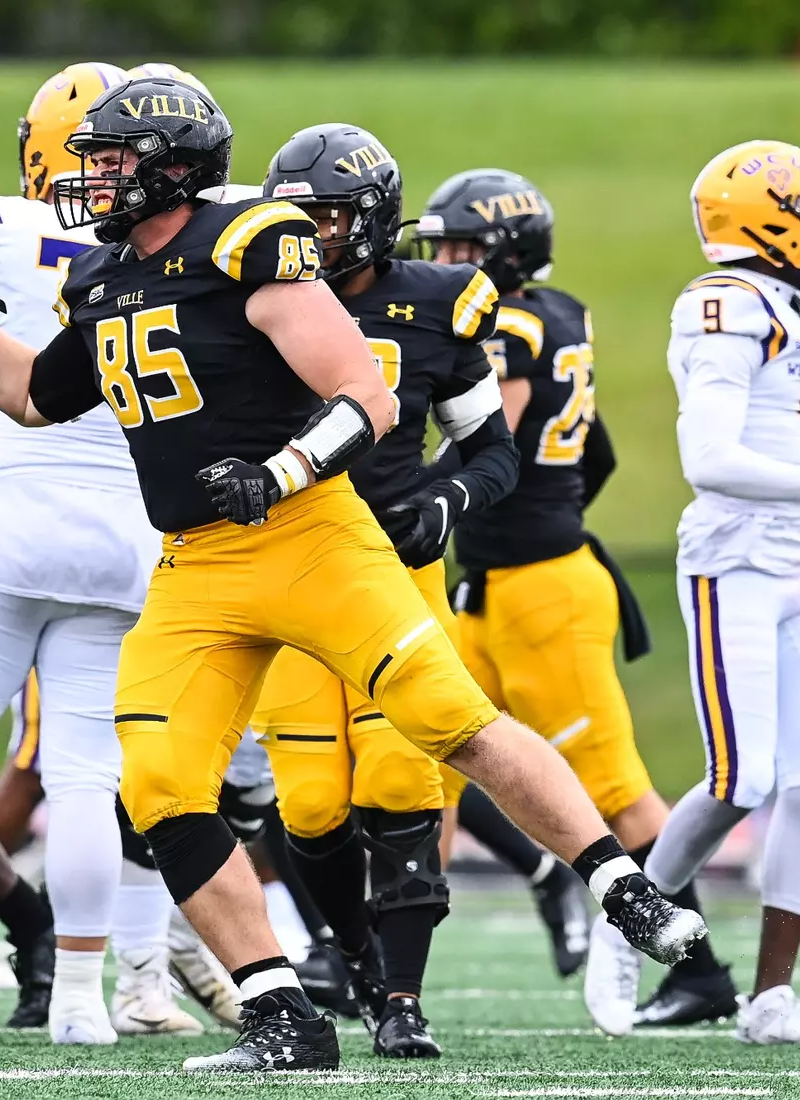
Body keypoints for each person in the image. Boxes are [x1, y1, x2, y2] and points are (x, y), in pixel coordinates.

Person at [0, 74, 705, 1072]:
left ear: (172, 167)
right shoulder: (104, 275)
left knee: (442, 717)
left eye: (113, 157)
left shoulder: (248, 242)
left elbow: (365, 395)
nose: (93, 175)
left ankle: (618, 882)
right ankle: (280, 1007)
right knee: (158, 786)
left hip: (307, 530)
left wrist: (278, 469)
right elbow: (30, 395)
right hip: (193, 560)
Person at [0, 60, 201, 1044]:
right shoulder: (180, 244)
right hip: (130, 534)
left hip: (4, 518)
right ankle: (77, 1000)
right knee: (85, 777)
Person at [415, 168, 738, 1031]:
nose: (443, 260)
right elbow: (596, 455)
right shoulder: (562, 312)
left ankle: (701, 970)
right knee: (432, 770)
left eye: (459, 247)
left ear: (505, 252)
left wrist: (401, 498)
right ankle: (388, 972)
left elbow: (494, 445)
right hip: (497, 586)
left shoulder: (512, 323)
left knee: (619, 792)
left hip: (542, 594)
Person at [614, 139, 800, 1046]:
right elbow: (712, 462)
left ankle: (771, 1000)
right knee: (745, 779)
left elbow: (788, 442)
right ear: (768, 217)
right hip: (733, 556)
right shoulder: (725, 305)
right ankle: (626, 928)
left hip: (795, 559)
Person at [244, 123, 519, 1059]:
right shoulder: (250, 291)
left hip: (395, 571)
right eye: (299, 217)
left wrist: (447, 499)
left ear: (372, 218)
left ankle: (403, 997)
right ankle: (353, 958)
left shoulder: (438, 303)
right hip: (282, 573)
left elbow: (490, 447)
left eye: (328, 217)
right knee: (312, 802)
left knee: (403, 778)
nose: (312, 235)